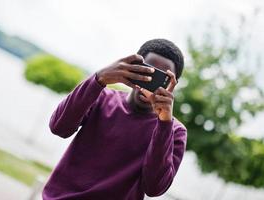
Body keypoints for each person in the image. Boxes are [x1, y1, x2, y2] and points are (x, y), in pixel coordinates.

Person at [42, 39, 187, 200]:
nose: (150, 83)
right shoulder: (101, 97)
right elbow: (58, 127)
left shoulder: (174, 131)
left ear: (173, 84)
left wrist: (164, 124)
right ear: (134, 65)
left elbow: (154, 188)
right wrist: (99, 78)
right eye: (147, 72)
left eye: (161, 79)